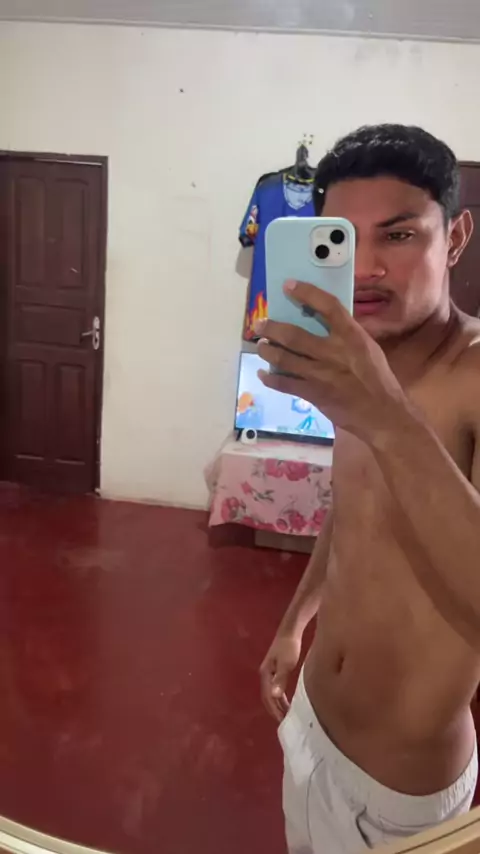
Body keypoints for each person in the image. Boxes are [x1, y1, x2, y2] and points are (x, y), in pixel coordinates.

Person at [256, 124, 480, 853]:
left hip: (399, 792)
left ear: (455, 237)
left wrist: (385, 416)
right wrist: (295, 622)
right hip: (310, 724)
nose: (369, 267)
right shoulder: (358, 366)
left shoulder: (472, 378)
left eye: (400, 235)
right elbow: (352, 512)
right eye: (345, 239)